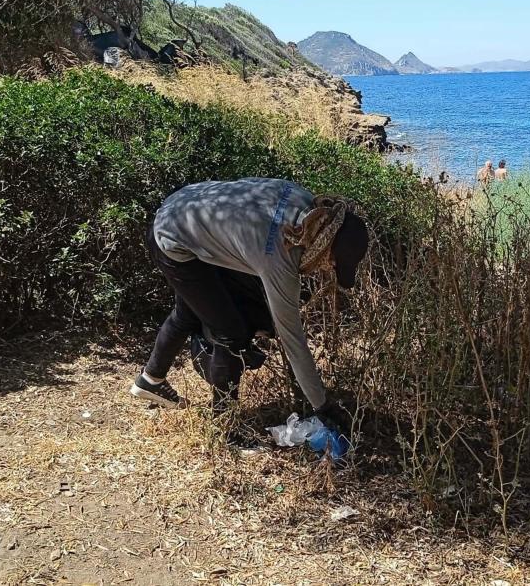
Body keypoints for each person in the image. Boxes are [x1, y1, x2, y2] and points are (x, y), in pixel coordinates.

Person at [131, 178, 368, 438]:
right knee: (231, 334)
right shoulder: (279, 255)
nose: (329, 268)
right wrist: (323, 406)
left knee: (189, 310)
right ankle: (225, 430)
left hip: (183, 205)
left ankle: (150, 381)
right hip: (172, 240)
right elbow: (293, 340)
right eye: (333, 263)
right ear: (325, 245)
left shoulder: (307, 204)